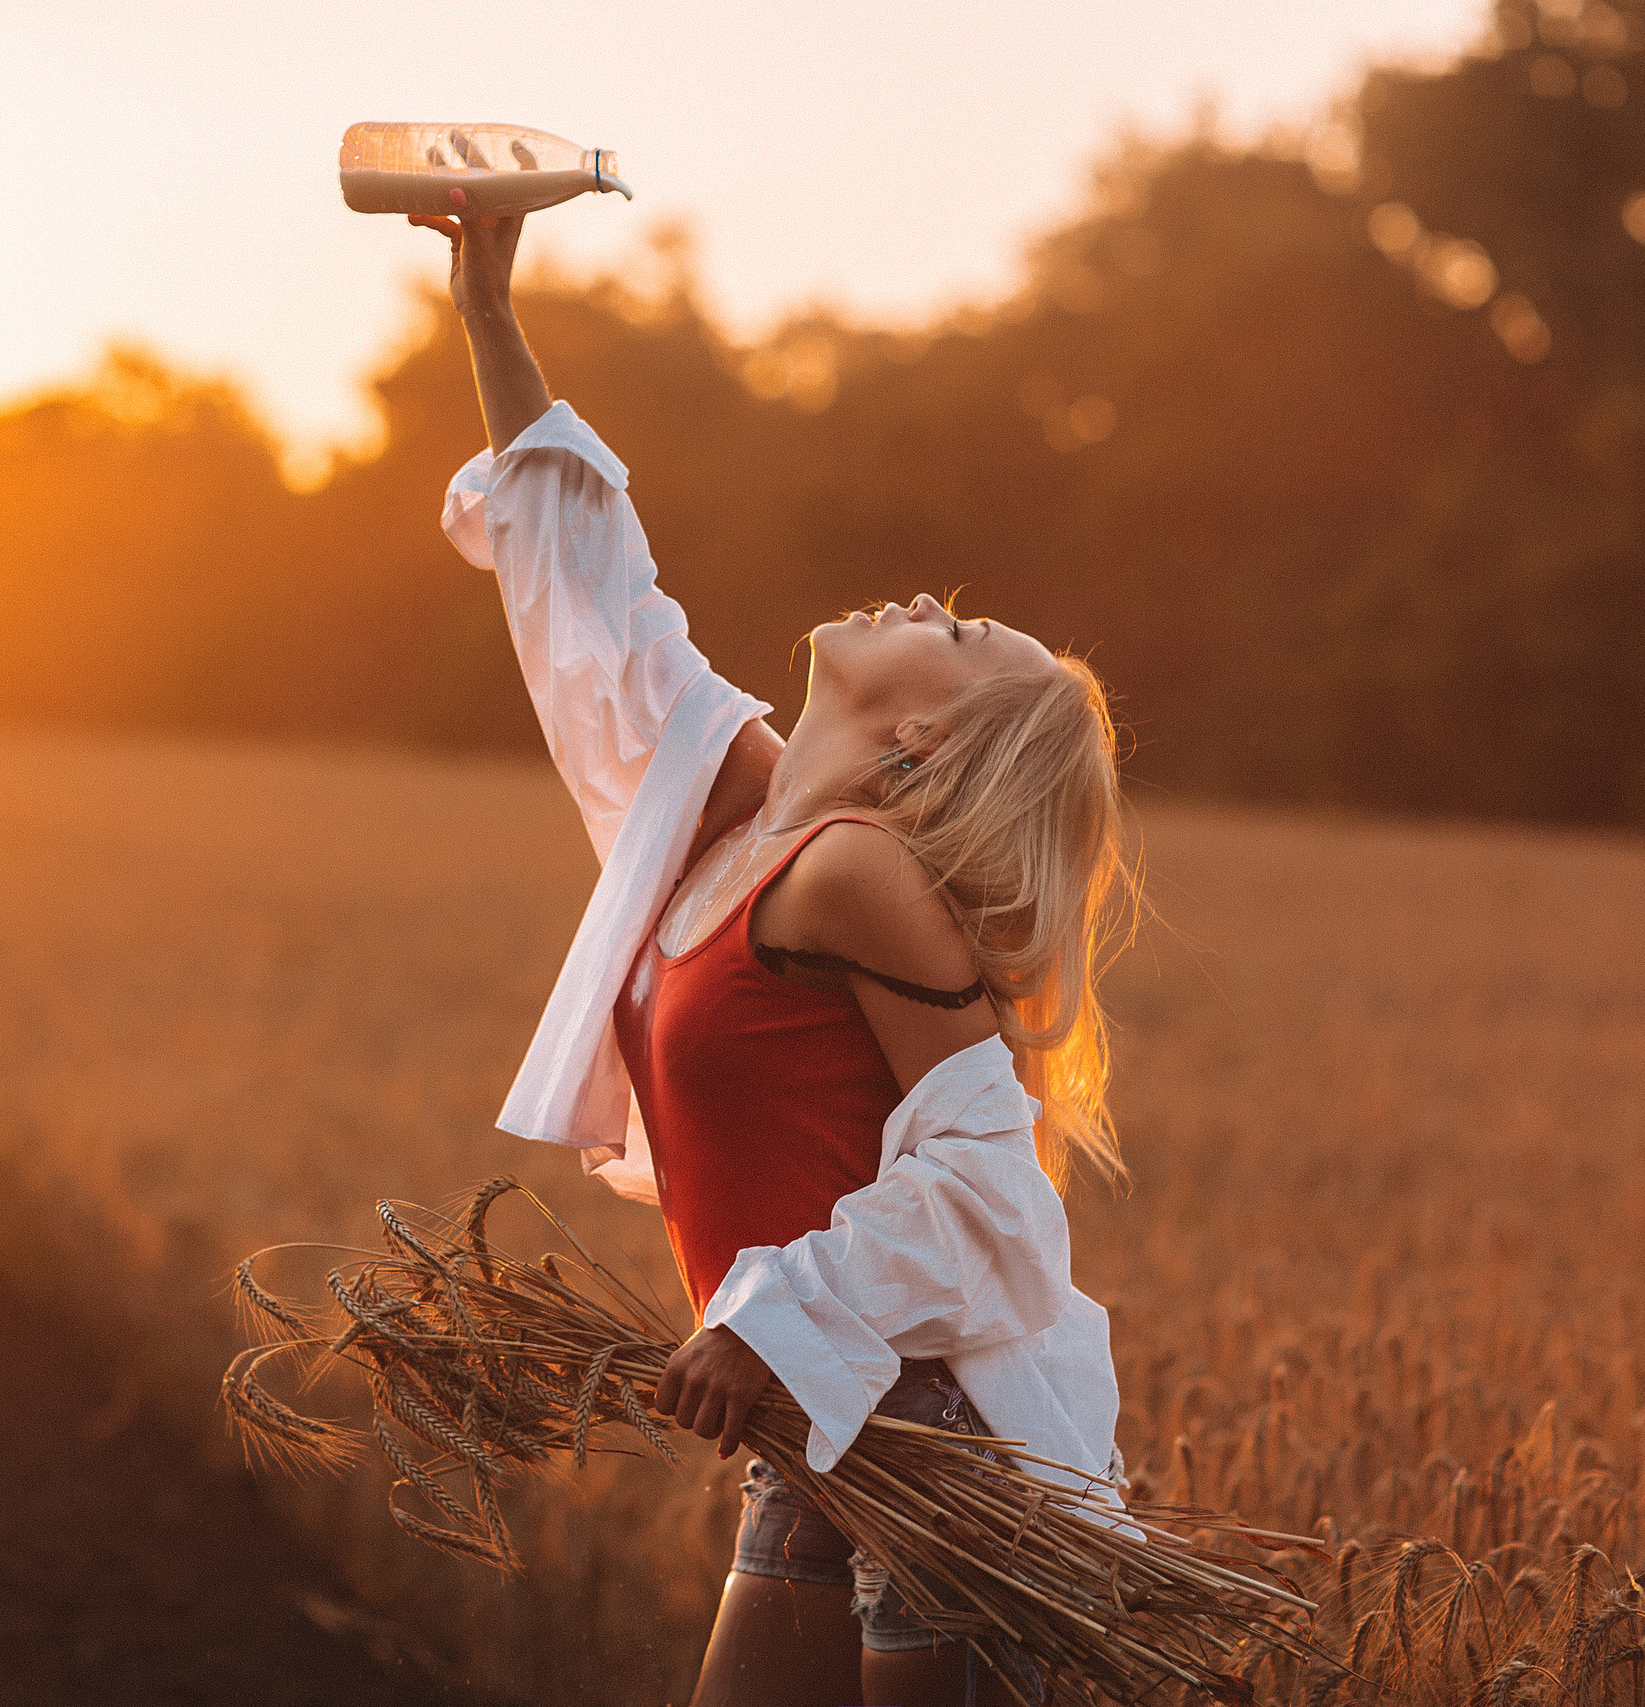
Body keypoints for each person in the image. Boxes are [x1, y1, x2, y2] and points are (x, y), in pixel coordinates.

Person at [414, 193, 1133, 1707]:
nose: (929, 600)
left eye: (962, 628)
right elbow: (590, 613)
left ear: (924, 728)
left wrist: (775, 1321)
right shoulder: (724, 806)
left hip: (933, 1438)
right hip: (829, 1431)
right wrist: (488, 305)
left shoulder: (853, 871)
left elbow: (991, 1190)